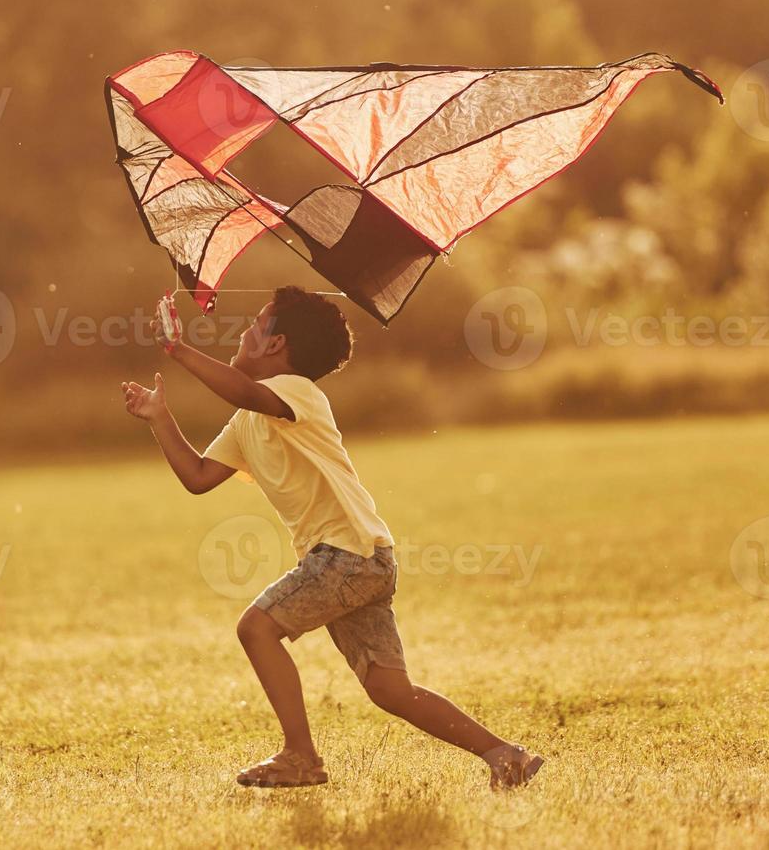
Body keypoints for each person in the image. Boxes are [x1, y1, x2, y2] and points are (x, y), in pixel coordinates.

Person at [120, 286, 543, 789]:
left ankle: (301, 756)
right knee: (389, 689)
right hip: (365, 558)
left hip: (346, 556)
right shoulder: (247, 419)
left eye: (256, 324)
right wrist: (159, 417)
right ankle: (504, 754)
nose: (244, 332)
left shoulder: (298, 392)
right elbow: (197, 477)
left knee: (256, 628)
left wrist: (178, 349)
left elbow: (242, 389)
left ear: (276, 347)